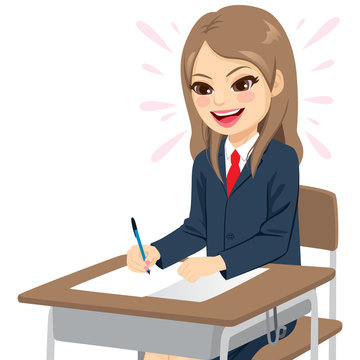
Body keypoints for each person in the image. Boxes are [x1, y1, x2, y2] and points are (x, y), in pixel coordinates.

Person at [126, 5, 303, 360]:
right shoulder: (205, 164)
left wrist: (219, 262)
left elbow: (275, 239)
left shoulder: (281, 161)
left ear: (276, 83)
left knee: (199, 350)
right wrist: (157, 252)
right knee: (156, 345)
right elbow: (197, 228)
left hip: (273, 300)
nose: (219, 100)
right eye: (203, 87)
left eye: (241, 84)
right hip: (219, 293)